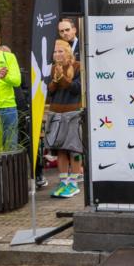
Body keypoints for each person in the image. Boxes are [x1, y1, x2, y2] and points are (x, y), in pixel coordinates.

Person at [46, 39, 83, 198]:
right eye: (55, 51)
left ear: (68, 51)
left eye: (61, 51)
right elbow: (50, 91)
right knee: (60, 148)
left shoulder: (78, 66)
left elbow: (77, 89)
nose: (58, 54)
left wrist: (62, 78)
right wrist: (56, 79)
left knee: (74, 148)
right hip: (56, 112)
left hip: (73, 112)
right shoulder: (51, 68)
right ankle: (63, 181)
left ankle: (74, 183)